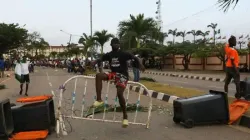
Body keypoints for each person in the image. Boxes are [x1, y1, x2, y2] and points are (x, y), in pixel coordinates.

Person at [94, 38, 145, 127]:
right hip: (113, 74)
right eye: (114, 43)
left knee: (119, 93)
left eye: (117, 43)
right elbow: (101, 58)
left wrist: (140, 64)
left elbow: (135, 57)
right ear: (111, 45)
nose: (115, 45)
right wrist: (94, 61)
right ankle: (99, 100)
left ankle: (125, 116)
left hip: (122, 75)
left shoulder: (124, 53)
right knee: (98, 76)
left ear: (119, 45)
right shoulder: (109, 54)